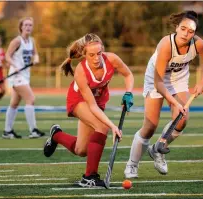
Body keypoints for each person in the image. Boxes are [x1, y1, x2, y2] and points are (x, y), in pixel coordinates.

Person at [124, 11, 203, 178]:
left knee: (182, 120)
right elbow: (159, 83)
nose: (186, 34)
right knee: (150, 126)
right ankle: (132, 164)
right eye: (183, 29)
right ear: (176, 27)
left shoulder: (198, 44)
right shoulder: (166, 44)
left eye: (191, 31)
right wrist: (175, 102)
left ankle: (157, 149)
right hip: (156, 79)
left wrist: (201, 83)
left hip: (178, 79)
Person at [43, 33, 134, 187]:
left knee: (81, 150)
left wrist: (128, 92)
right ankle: (89, 177)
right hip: (79, 100)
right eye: (91, 55)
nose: (96, 58)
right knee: (102, 127)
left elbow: (128, 74)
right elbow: (91, 106)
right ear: (84, 55)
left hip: (98, 102)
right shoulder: (81, 71)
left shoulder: (111, 59)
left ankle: (56, 135)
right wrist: (112, 126)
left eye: (99, 53)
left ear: (103, 50)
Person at [2, 17, 45, 139]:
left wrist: (36, 58)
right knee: (30, 99)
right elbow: (7, 56)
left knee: (14, 103)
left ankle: (7, 131)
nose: (28, 27)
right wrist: (14, 65)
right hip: (17, 76)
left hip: (25, 75)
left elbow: (35, 53)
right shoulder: (17, 41)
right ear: (21, 27)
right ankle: (33, 130)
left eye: (30, 25)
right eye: (26, 25)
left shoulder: (32, 41)